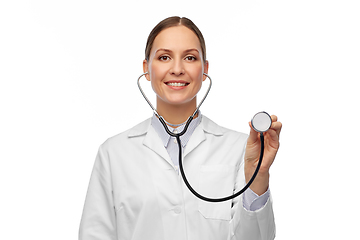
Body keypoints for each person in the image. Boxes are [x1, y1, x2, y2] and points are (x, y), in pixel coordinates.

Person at [79, 16, 282, 240]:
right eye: (164, 57)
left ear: (204, 70)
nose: (177, 69)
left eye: (190, 57)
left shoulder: (239, 149)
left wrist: (259, 176)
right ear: (147, 69)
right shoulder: (113, 153)